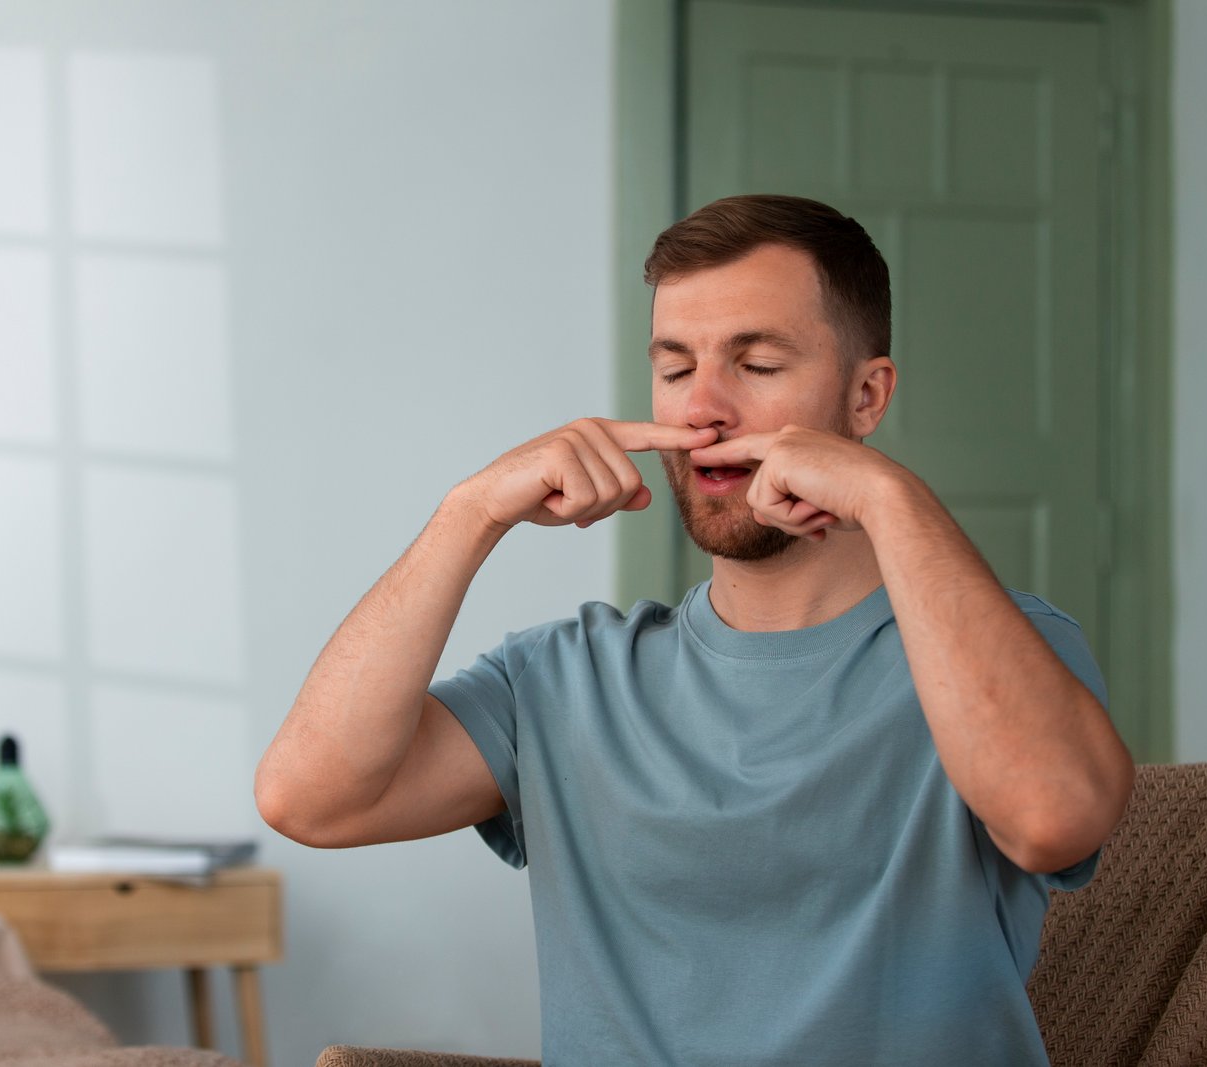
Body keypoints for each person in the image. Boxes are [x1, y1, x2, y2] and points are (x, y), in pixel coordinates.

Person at [254, 194, 1135, 1065]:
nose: (703, 409)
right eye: (676, 369)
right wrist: (470, 512)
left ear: (867, 396)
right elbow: (311, 798)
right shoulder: (566, 681)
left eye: (756, 364)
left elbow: (1054, 818)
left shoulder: (998, 647)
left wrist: (887, 494)